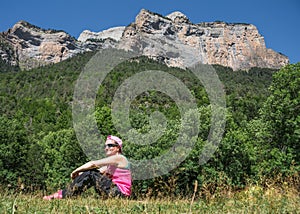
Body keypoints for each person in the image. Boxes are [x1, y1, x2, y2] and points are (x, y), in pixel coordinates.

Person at [43, 135, 132, 200]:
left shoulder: (120, 158)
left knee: (91, 172)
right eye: (105, 146)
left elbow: (93, 164)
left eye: (110, 145)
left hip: (120, 194)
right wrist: (82, 174)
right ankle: (67, 194)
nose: (106, 148)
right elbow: (98, 172)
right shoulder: (112, 165)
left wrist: (76, 171)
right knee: (91, 173)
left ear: (118, 148)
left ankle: (62, 195)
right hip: (115, 193)